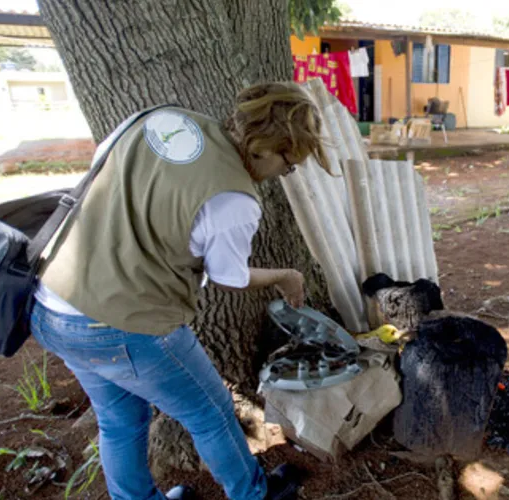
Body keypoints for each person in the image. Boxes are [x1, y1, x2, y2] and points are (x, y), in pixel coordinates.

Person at [31, 82, 330, 500]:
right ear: (264, 145)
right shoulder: (233, 199)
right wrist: (286, 275)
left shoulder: (162, 120)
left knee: (119, 422)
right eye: (289, 163)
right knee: (212, 414)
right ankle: (253, 494)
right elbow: (229, 277)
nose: (285, 174)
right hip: (124, 323)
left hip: (53, 304)